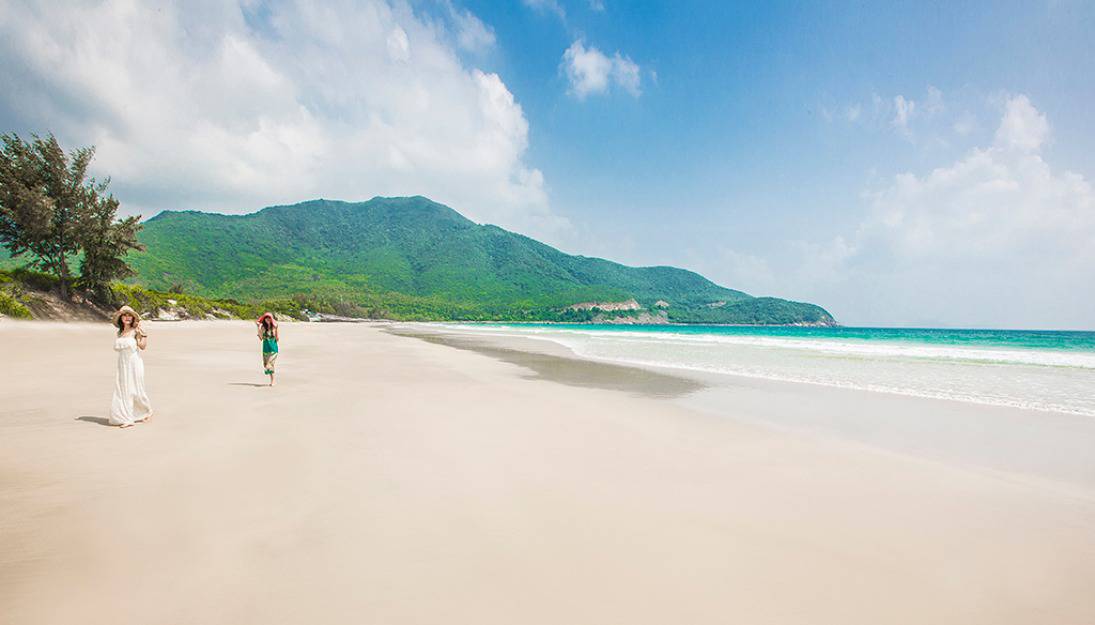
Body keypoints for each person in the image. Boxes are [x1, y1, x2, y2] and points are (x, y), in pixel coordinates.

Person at [109, 305, 153, 428]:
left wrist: (142, 335)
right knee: (122, 389)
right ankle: (127, 414)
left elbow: (143, 346)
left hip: (134, 364)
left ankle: (130, 417)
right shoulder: (120, 333)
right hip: (122, 365)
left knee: (134, 389)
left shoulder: (135, 331)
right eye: (125, 315)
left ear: (133, 318)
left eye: (130, 316)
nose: (127, 318)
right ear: (121, 318)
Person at [256, 312, 279, 386]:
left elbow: (277, 338)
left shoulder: (274, 327)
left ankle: (273, 381)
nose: (267, 319)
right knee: (267, 365)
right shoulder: (263, 328)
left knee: (269, 365)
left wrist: (276, 328)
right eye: (266, 318)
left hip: (273, 348)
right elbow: (261, 338)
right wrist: (258, 327)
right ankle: (272, 380)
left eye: (269, 318)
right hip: (265, 348)